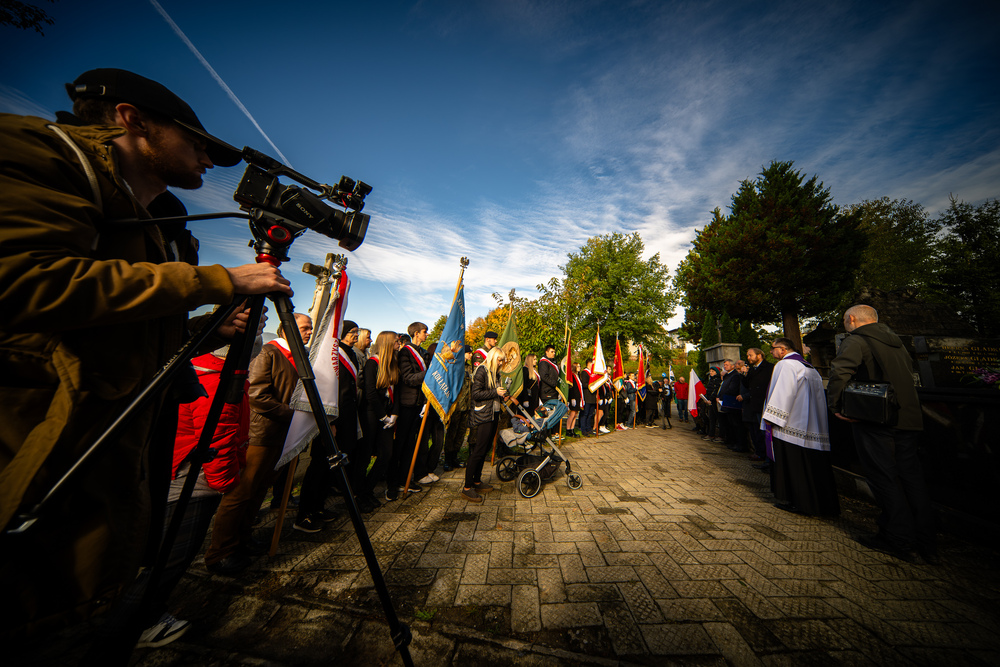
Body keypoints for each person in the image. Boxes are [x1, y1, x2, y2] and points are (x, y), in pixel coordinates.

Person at [0, 68, 291, 647]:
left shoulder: (160, 221)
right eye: (195, 142)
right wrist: (218, 280)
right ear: (130, 119)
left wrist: (208, 330)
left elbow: (116, 326)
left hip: (109, 449)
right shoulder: (36, 152)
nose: (208, 159)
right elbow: (21, 280)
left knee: (82, 608)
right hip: (34, 445)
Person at [827, 305, 936, 563]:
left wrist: (836, 405)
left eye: (845, 321)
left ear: (851, 319)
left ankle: (899, 540)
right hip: (907, 417)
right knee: (911, 480)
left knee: (883, 477)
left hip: (877, 418)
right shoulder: (896, 341)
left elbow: (840, 372)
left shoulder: (857, 340)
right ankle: (927, 544)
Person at [203, 313, 311, 572]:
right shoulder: (269, 354)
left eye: (309, 328)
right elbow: (257, 395)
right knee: (242, 492)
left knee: (260, 489)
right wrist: (293, 415)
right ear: (286, 329)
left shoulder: (299, 357)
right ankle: (220, 552)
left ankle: (243, 538)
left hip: (280, 434)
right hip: (262, 434)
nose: (309, 332)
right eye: (304, 327)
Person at [762, 338, 840, 516]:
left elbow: (783, 393)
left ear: (782, 350)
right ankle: (821, 505)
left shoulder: (785, 365)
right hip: (812, 426)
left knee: (795, 468)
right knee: (813, 467)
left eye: (773, 349)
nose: (771, 353)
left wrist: (772, 420)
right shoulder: (810, 367)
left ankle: (799, 503)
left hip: (790, 426)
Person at [388, 322, 429, 499]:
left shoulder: (423, 352)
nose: (427, 334)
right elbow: (408, 378)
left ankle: (406, 478)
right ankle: (394, 480)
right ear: (416, 334)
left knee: (411, 444)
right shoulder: (406, 352)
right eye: (424, 332)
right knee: (402, 444)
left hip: (418, 403)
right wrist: (429, 374)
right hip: (406, 404)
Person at [463, 347, 507, 502]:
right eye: (499, 359)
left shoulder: (495, 372)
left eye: (503, 360)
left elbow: (493, 392)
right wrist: (496, 392)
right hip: (483, 415)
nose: (501, 363)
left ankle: (477, 481)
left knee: (485, 449)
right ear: (493, 357)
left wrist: (502, 395)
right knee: (479, 450)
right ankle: (467, 487)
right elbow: (476, 394)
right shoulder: (482, 370)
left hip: (493, 413)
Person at [363, 331, 399, 510]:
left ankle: (367, 489)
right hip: (373, 415)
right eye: (396, 342)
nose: (399, 344)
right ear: (387, 343)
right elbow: (370, 392)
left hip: (388, 415)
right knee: (367, 454)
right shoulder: (372, 363)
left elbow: (396, 392)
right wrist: (382, 416)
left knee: (386, 454)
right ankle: (362, 494)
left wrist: (394, 414)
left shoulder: (393, 363)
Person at [443, 346, 473, 471]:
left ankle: (455, 457)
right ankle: (447, 459)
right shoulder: (455, 366)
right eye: (468, 353)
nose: (470, 355)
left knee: (461, 434)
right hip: (456, 406)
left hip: (467, 406)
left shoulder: (470, 368)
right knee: (452, 433)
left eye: (471, 353)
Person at [537, 345, 569, 433]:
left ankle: (554, 433)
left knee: (554, 413)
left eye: (554, 352)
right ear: (546, 352)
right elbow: (544, 376)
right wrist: (555, 384)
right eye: (552, 352)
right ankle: (545, 434)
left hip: (553, 391)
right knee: (547, 414)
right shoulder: (543, 362)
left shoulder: (553, 362)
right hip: (547, 391)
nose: (554, 353)